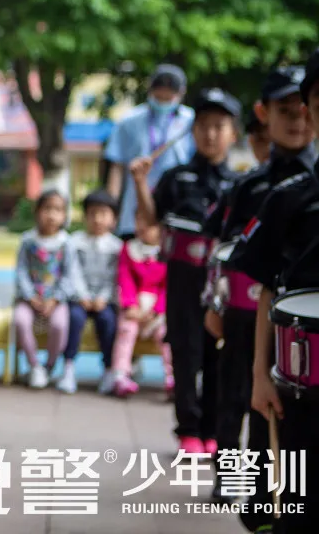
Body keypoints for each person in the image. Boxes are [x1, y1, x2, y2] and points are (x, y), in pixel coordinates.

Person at [232, 49, 319, 534]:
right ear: (311, 113)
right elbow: (269, 289)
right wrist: (260, 375)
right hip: (299, 383)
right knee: (292, 503)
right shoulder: (288, 198)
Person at [132, 88, 240, 455]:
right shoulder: (176, 177)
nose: (210, 134)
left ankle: (212, 429)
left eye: (219, 126)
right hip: (183, 278)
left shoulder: (241, 184)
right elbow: (150, 221)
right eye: (203, 125)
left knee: (218, 353)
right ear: (193, 131)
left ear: (233, 134)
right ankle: (188, 429)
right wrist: (140, 183)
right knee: (185, 350)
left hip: (224, 283)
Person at [105, 64, 195, 239]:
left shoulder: (191, 121)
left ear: (181, 93)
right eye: (159, 96)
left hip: (175, 213)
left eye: (169, 97)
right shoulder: (129, 121)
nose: (163, 101)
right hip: (134, 213)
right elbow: (116, 167)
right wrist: (110, 208)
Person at [57, 190, 122, 395]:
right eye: (92, 213)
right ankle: (68, 367)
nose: (97, 219)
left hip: (104, 300)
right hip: (79, 299)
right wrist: (82, 295)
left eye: (103, 214)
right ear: (85, 216)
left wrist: (103, 297)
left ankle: (108, 369)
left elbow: (114, 276)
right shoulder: (74, 242)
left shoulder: (116, 246)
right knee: (74, 319)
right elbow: (72, 271)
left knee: (108, 321)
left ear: (113, 218)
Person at [13, 190, 79, 389]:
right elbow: (21, 270)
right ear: (37, 212)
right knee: (20, 321)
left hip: (56, 301)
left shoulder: (67, 243)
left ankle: (49, 365)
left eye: (57, 210)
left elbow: (69, 275)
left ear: (64, 215)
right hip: (29, 300)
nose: (51, 215)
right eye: (47, 209)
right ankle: (34, 365)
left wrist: (55, 299)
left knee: (59, 325)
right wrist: (30, 296)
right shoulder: (28, 240)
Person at [109, 209, 172, 397]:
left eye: (150, 223)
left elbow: (167, 286)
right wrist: (130, 305)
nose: (143, 227)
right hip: (133, 307)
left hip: (157, 311)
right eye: (139, 220)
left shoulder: (167, 251)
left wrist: (157, 310)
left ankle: (172, 376)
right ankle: (120, 375)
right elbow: (125, 278)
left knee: (166, 335)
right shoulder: (129, 249)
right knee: (126, 330)